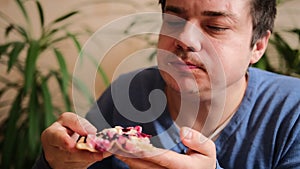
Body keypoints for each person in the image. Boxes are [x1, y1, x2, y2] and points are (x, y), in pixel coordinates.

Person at [33, 0, 300, 168]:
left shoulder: (293, 112)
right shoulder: (127, 93)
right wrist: (54, 162)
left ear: (258, 46)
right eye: (174, 20)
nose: (185, 38)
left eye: (215, 26)